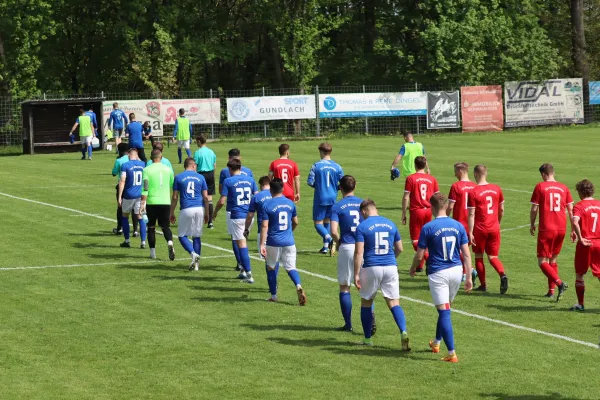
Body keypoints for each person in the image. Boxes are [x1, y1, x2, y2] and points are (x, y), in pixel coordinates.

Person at [410, 193, 473, 363]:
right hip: (456, 271)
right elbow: (466, 254)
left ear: (432, 208)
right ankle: (436, 343)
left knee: (444, 312)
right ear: (447, 206)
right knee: (445, 308)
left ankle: (452, 353)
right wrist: (469, 277)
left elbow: (420, 254)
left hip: (438, 273)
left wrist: (413, 268)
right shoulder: (458, 226)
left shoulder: (428, 227)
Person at [354, 199, 409, 349]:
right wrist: (390, 259)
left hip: (371, 266)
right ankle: (403, 331)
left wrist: (356, 274)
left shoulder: (362, 227)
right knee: (394, 303)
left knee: (366, 302)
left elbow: (359, 253)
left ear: (364, 211)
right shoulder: (390, 223)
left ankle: (367, 339)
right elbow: (400, 248)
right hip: (390, 266)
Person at [259, 178, 307, 305]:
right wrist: (290, 231)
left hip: (273, 242)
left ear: (270, 189)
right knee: (291, 267)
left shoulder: (267, 205)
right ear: (283, 188)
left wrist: (261, 244)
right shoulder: (290, 203)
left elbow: (264, 226)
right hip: (289, 241)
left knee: (270, 267)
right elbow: (296, 222)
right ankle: (298, 285)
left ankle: (274, 296)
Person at [530, 163, 572, 299]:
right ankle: (551, 291)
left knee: (542, 262)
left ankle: (559, 283)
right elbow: (571, 210)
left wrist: (532, 223)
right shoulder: (564, 187)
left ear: (543, 174)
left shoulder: (540, 186)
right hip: (561, 228)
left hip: (547, 228)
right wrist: (573, 229)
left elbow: (534, 208)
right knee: (553, 259)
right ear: (553, 172)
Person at [213, 159, 259, 283]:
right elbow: (257, 196)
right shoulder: (250, 180)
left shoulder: (228, 181)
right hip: (249, 216)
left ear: (230, 169)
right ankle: (243, 271)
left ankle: (249, 275)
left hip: (237, 216)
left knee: (241, 246)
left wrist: (215, 212)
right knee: (244, 242)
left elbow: (222, 201)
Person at [330, 175, 364, 332]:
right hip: (363, 248)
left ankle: (348, 324)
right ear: (354, 187)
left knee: (344, 286)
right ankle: (368, 322)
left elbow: (333, 230)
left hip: (347, 246)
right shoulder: (364, 204)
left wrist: (338, 242)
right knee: (365, 288)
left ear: (340, 189)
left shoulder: (337, 206)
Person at [467, 164, 508, 294]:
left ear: (475, 174)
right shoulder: (497, 189)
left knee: (479, 257)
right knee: (493, 256)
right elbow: (501, 209)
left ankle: (483, 285)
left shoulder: (473, 192)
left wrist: (470, 231)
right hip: (494, 227)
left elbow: (471, 214)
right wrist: (498, 222)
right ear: (486, 173)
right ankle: (502, 275)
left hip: (480, 228)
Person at [170, 158, 209, 271]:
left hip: (187, 208)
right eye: (195, 165)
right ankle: (196, 265)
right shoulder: (201, 177)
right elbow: (206, 197)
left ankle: (193, 254)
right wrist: (207, 213)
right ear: (192, 165)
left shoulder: (179, 177)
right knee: (196, 236)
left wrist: (171, 212)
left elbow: (175, 197)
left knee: (182, 236)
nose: (196, 166)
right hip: (199, 208)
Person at [402, 156, 440, 272]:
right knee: (426, 238)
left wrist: (403, 213)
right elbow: (438, 197)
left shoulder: (411, 178)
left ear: (415, 165)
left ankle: (430, 259)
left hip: (416, 211)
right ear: (425, 165)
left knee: (415, 239)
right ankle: (420, 266)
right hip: (428, 211)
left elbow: (406, 197)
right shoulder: (432, 179)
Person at [218, 149, 254, 271]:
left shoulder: (225, 172)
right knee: (244, 239)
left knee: (236, 238)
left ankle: (242, 266)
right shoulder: (249, 173)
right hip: (249, 212)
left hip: (233, 210)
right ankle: (243, 266)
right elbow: (255, 194)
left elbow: (221, 193)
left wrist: (214, 212)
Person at [307, 142, 344, 254]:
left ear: (321, 152)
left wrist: (318, 186)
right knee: (327, 221)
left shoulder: (316, 165)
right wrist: (335, 188)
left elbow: (310, 182)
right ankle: (325, 247)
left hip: (320, 197)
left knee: (318, 223)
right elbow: (343, 183)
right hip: (332, 197)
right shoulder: (338, 167)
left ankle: (330, 240)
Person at [570, 179, 600, 312]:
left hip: (586, 244)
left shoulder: (579, 205)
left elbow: (575, 222)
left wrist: (580, 237)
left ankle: (580, 304)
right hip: (599, 243)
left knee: (580, 274)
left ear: (581, 192)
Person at [141, 149, 175, 260]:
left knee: (151, 227)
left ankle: (153, 253)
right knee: (165, 226)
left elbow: (145, 188)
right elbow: (172, 184)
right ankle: (170, 242)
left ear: (151, 158)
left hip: (151, 202)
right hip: (165, 201)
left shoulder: (146, 170)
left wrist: (142, 204)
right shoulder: (168, 169)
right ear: (161, 157)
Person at [447, 162, 477, 281]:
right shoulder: (475, 186)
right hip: (472, 223)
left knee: (457, 249)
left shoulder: (456, 186)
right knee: (465, 249)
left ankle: (468, 272)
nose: (454, 174)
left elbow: (450, 206)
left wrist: (444, 216)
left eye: (455, 171)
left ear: (460, 171)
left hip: (459, 223)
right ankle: (467, 271)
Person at [117, 148, 147, 249]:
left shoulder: (125, 165)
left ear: (129, 155)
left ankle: (127, 240)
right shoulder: (143, 164)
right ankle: (143, 242)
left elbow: (122, 181)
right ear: (137, 154)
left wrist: (120, 196)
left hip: (129, 195)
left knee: (125, 216)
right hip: (140, 195)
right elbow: (146, 180)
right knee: (140, 217)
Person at [111, 143, 138, 235]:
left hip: (123, 186)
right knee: (135, 208)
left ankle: (120, 228)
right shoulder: (135, 159)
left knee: (120, 208)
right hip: (135, 185)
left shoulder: (119, 160)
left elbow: (114, 173)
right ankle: (135, 230)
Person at [194, 135, 217, 228]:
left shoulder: (197, 153)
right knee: (209, 198)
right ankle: (210, 222)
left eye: (196, 141)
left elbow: (194, 166)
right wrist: (212, 175)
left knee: (200, 197)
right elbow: (214, 165)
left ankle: (199, 220)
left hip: (201, 175)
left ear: (199, 141)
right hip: (210, 174)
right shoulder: (211, 152)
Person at [245, 176, 272, 255]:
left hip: (263, 231)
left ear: (261, 185)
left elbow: (250, 216)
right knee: (274, 259)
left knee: (266, 258)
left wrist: (246, 228)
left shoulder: (256, 197)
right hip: (277, 231)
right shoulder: (276, 195)